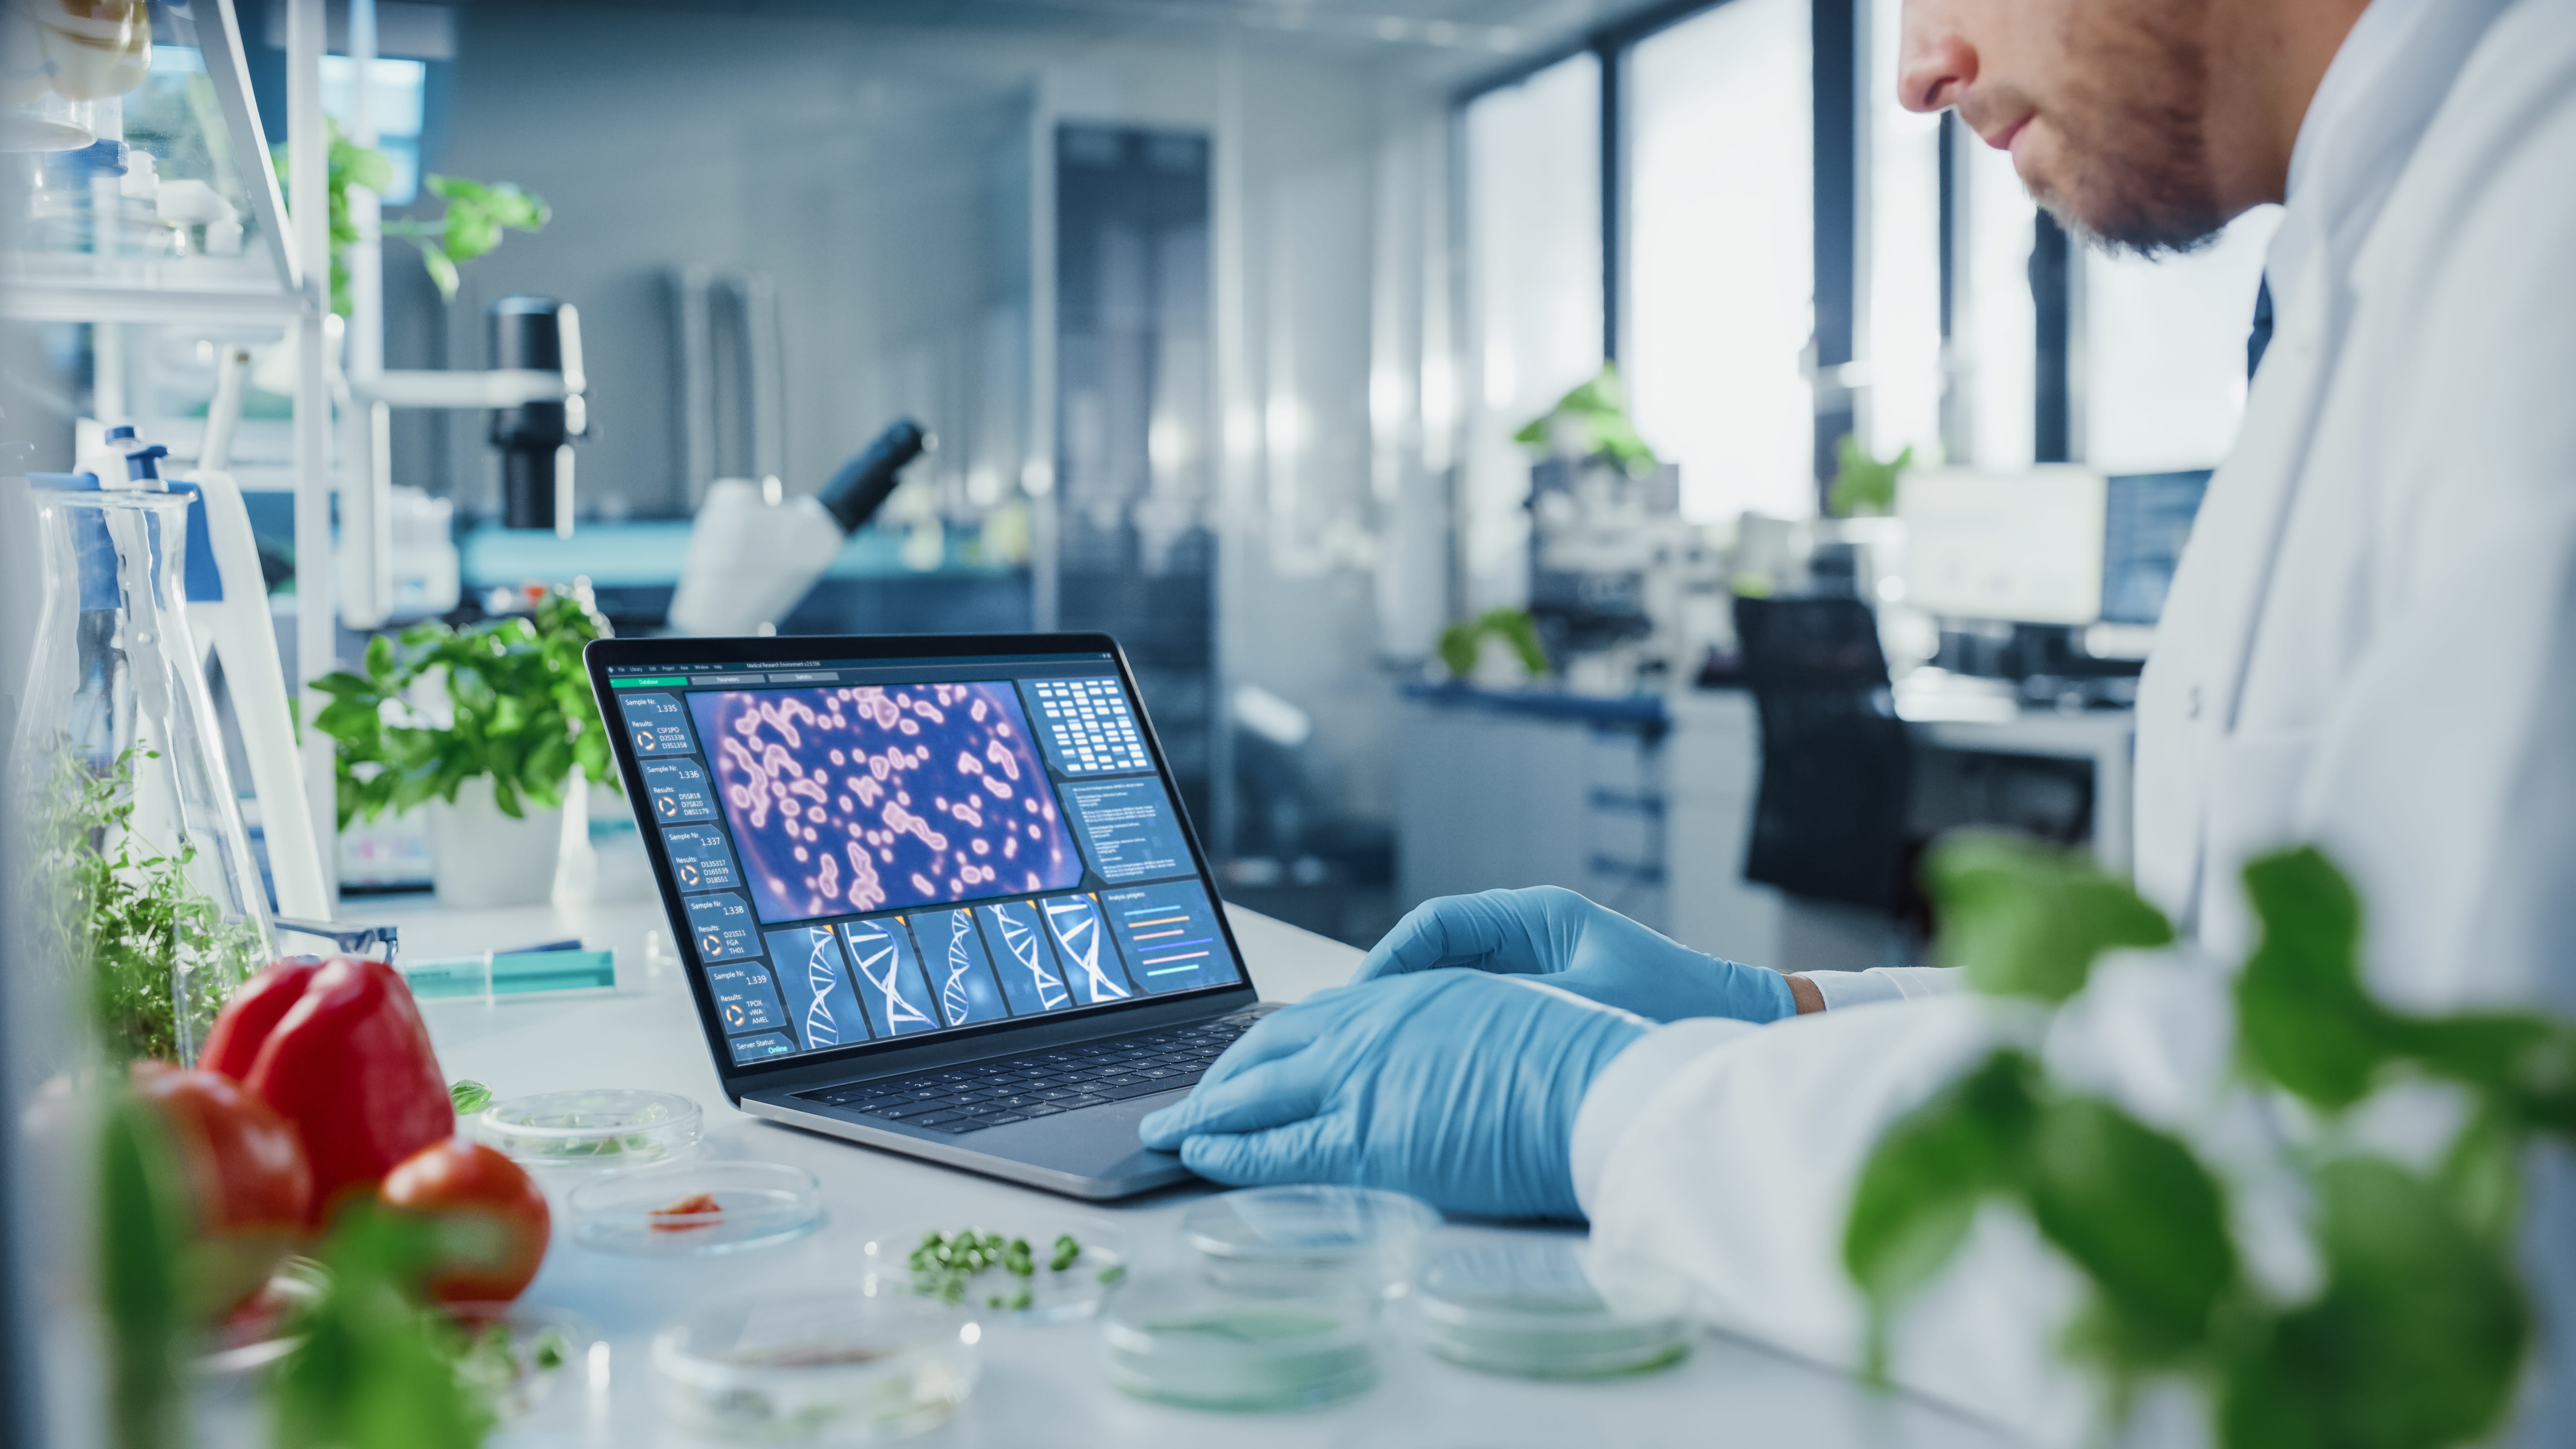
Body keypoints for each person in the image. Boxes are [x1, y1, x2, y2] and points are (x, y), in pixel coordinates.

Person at [1142, 0, 2576, 1439]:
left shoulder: (2538, 218)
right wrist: (1789, 1013)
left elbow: (2364, 1228)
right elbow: (2229, 1026)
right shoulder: (2386, 248)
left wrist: (1613, 1102)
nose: (1915, 73)